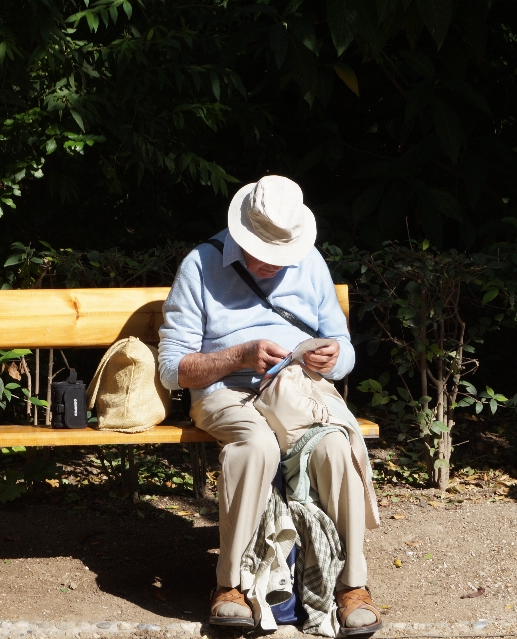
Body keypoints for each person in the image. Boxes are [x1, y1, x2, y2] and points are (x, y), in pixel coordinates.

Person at [158, 175, 382, 635]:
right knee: (256, 445)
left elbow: (344, 346)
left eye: (281, 253)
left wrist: (335, 357)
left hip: (298, 392)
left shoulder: (310, 262)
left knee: (335, 447)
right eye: (262, 252)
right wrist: (238, 355)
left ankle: (350, 587)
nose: (272, 264)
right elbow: (172, 369)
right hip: (227, 394)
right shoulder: (200, 266)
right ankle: (231, 585)